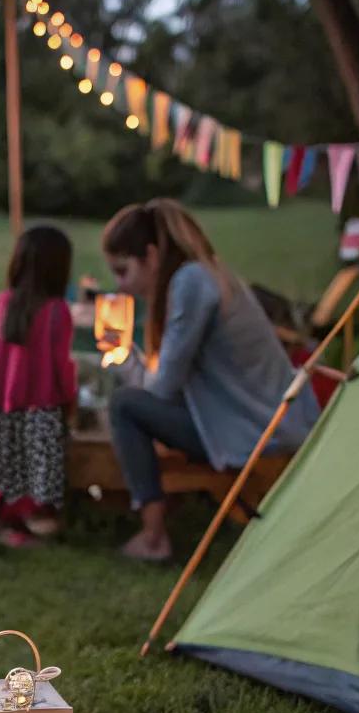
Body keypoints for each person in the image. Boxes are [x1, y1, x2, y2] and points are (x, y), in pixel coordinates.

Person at [102, 198, 319, 562]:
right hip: (272, 421)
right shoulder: (208, 272)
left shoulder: (190, 283)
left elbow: (162, 388)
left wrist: (123, 358)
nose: (120, 286)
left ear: (151, 257)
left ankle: (153, 537)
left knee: (125, 405)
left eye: (123, 271)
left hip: (254, 432)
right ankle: (166, 510)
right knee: (138, 402)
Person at [0, 223, 77, 554]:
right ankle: (19, 520)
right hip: (41, 419)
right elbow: (61, 369)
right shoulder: (57, 312)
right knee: (42, 503)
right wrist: (70, 404)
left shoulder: (0, 304)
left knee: (5, 474)